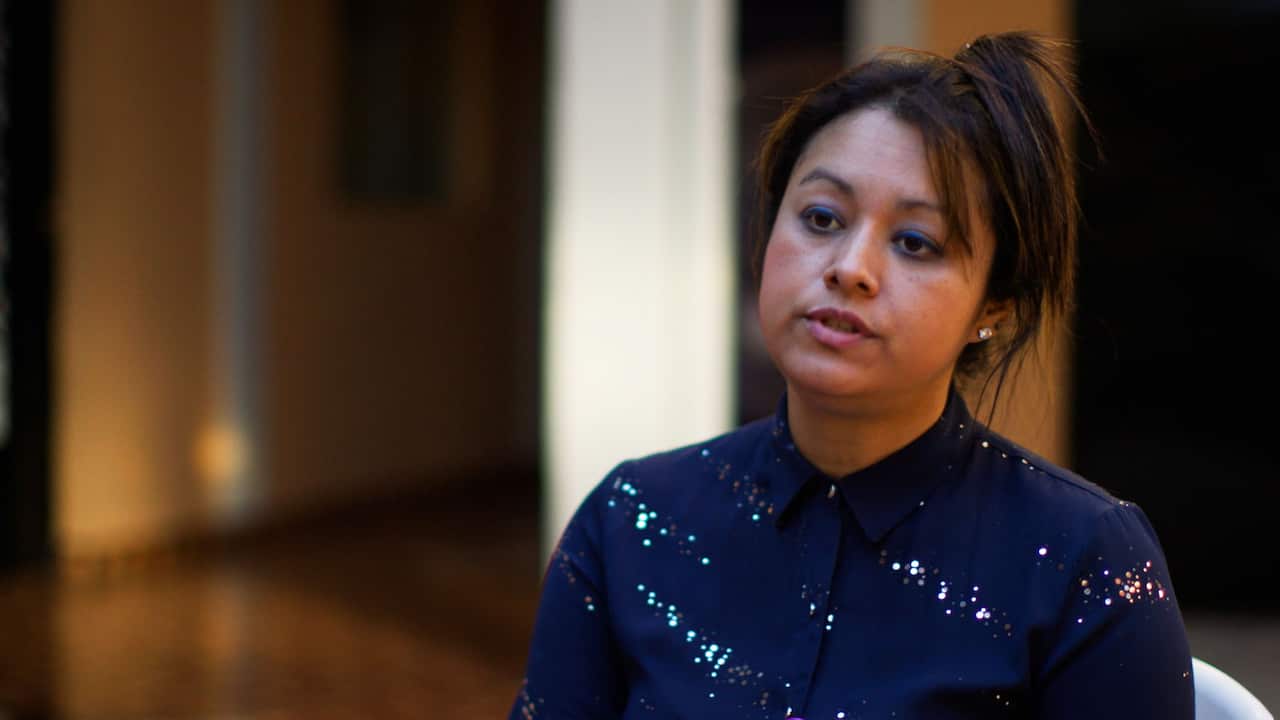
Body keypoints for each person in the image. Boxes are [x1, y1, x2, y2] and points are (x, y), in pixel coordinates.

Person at [510, 31, 1193, 719]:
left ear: (991, 307)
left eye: (915, 242)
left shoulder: (1085, 560)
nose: (849, 267)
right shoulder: (630, 519)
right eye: (821, 218)